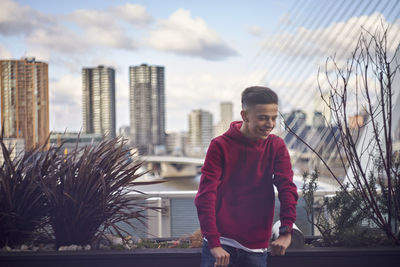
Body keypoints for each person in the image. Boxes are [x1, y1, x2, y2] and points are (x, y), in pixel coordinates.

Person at [194, 86, 298, 267]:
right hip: (221, 245)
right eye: (263, 118)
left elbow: (287, 188)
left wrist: (286, 231)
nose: (270, 124)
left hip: (256, 249)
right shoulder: (219, 146)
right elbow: (205, 196)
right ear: (245, 116)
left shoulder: (276, 146)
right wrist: (213, 243)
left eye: (273, 118)